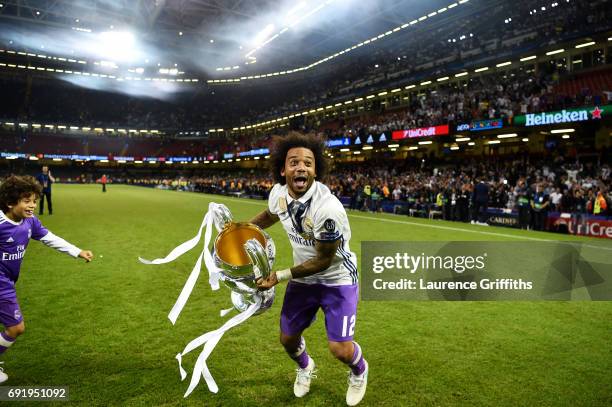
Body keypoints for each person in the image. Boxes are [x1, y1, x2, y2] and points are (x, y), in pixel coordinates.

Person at [250, 133, 367, 406]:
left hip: (336, 279)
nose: (301, 167)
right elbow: (270, 215)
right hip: (304, 281)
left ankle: (359, 371)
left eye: (308, 163)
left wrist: (278, 276)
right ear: (282, 169)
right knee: (288, 339)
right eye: (293, 162)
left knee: (340, 349)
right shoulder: (279, 194)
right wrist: (243, 230)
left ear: (316, 171)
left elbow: (323, 260)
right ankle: (305, 367)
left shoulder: (328, 209)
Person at [0, 176, 93, 383]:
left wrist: (77, 251)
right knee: (16, 328)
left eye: (34, 200)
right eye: (26, 201)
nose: (32, 205)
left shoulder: (30, 222)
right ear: (9, 202)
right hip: (1, 284)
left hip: (8, 280)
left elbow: (50, 238)